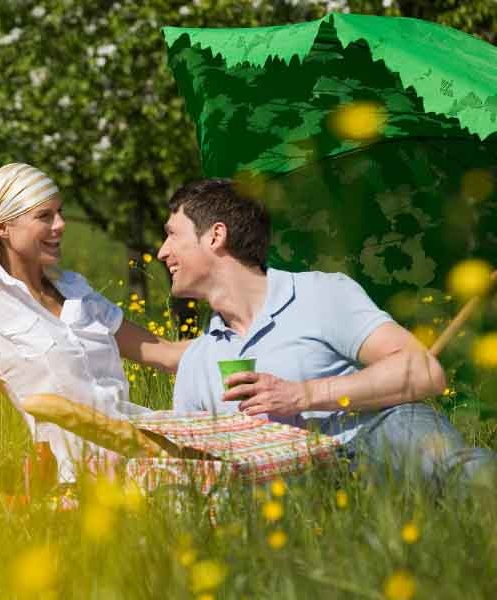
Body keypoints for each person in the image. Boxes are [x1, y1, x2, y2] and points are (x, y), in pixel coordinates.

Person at [162, 178, 496, 492]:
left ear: (215, 236)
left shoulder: (319, 293)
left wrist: (303, 394)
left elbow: (423, 372)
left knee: (460, 473)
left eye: (172, 235)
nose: (163, 252)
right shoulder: (196, 362)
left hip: (376, 433)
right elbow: (193, 472)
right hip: (302, 490)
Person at [0, 163, 188, 485]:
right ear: (2, 227)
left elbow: (165, 354)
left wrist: (248, 335)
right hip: (78, 478)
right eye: (44, 216)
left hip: (148, 452)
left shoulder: (76, 289)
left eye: (60, 212)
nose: (61, 224)